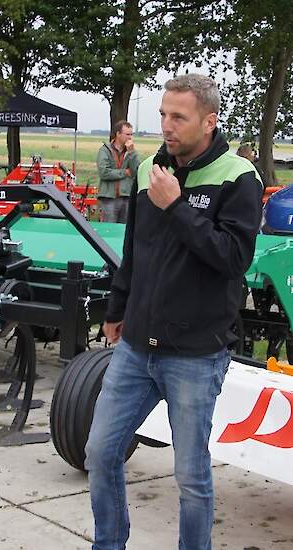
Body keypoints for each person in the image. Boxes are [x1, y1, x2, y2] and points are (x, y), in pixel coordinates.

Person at [86, 74, 263, 550]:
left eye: (178, 117)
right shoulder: (149, 172)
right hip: (136, 346)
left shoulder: (238, 178)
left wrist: (179, 207)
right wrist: (116, 307)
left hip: (195, 353)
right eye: (163, 114)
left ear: (209, 121)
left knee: (190, 477)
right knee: (100, 452)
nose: (166, 125)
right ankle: (109, 543)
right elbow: (134, 251)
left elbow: (232, 259)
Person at [96, 120, 140, 222]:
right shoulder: (105, 150)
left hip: (127, 196)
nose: (130, 137)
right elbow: (104, 173)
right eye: (127, 134)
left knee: (124, 230)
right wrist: (125, 172)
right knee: (109, 229)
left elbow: (136, 171)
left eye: (131, 134)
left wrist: (132, 153)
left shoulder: (131, 151)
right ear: (118, 134)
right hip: (109, 198)